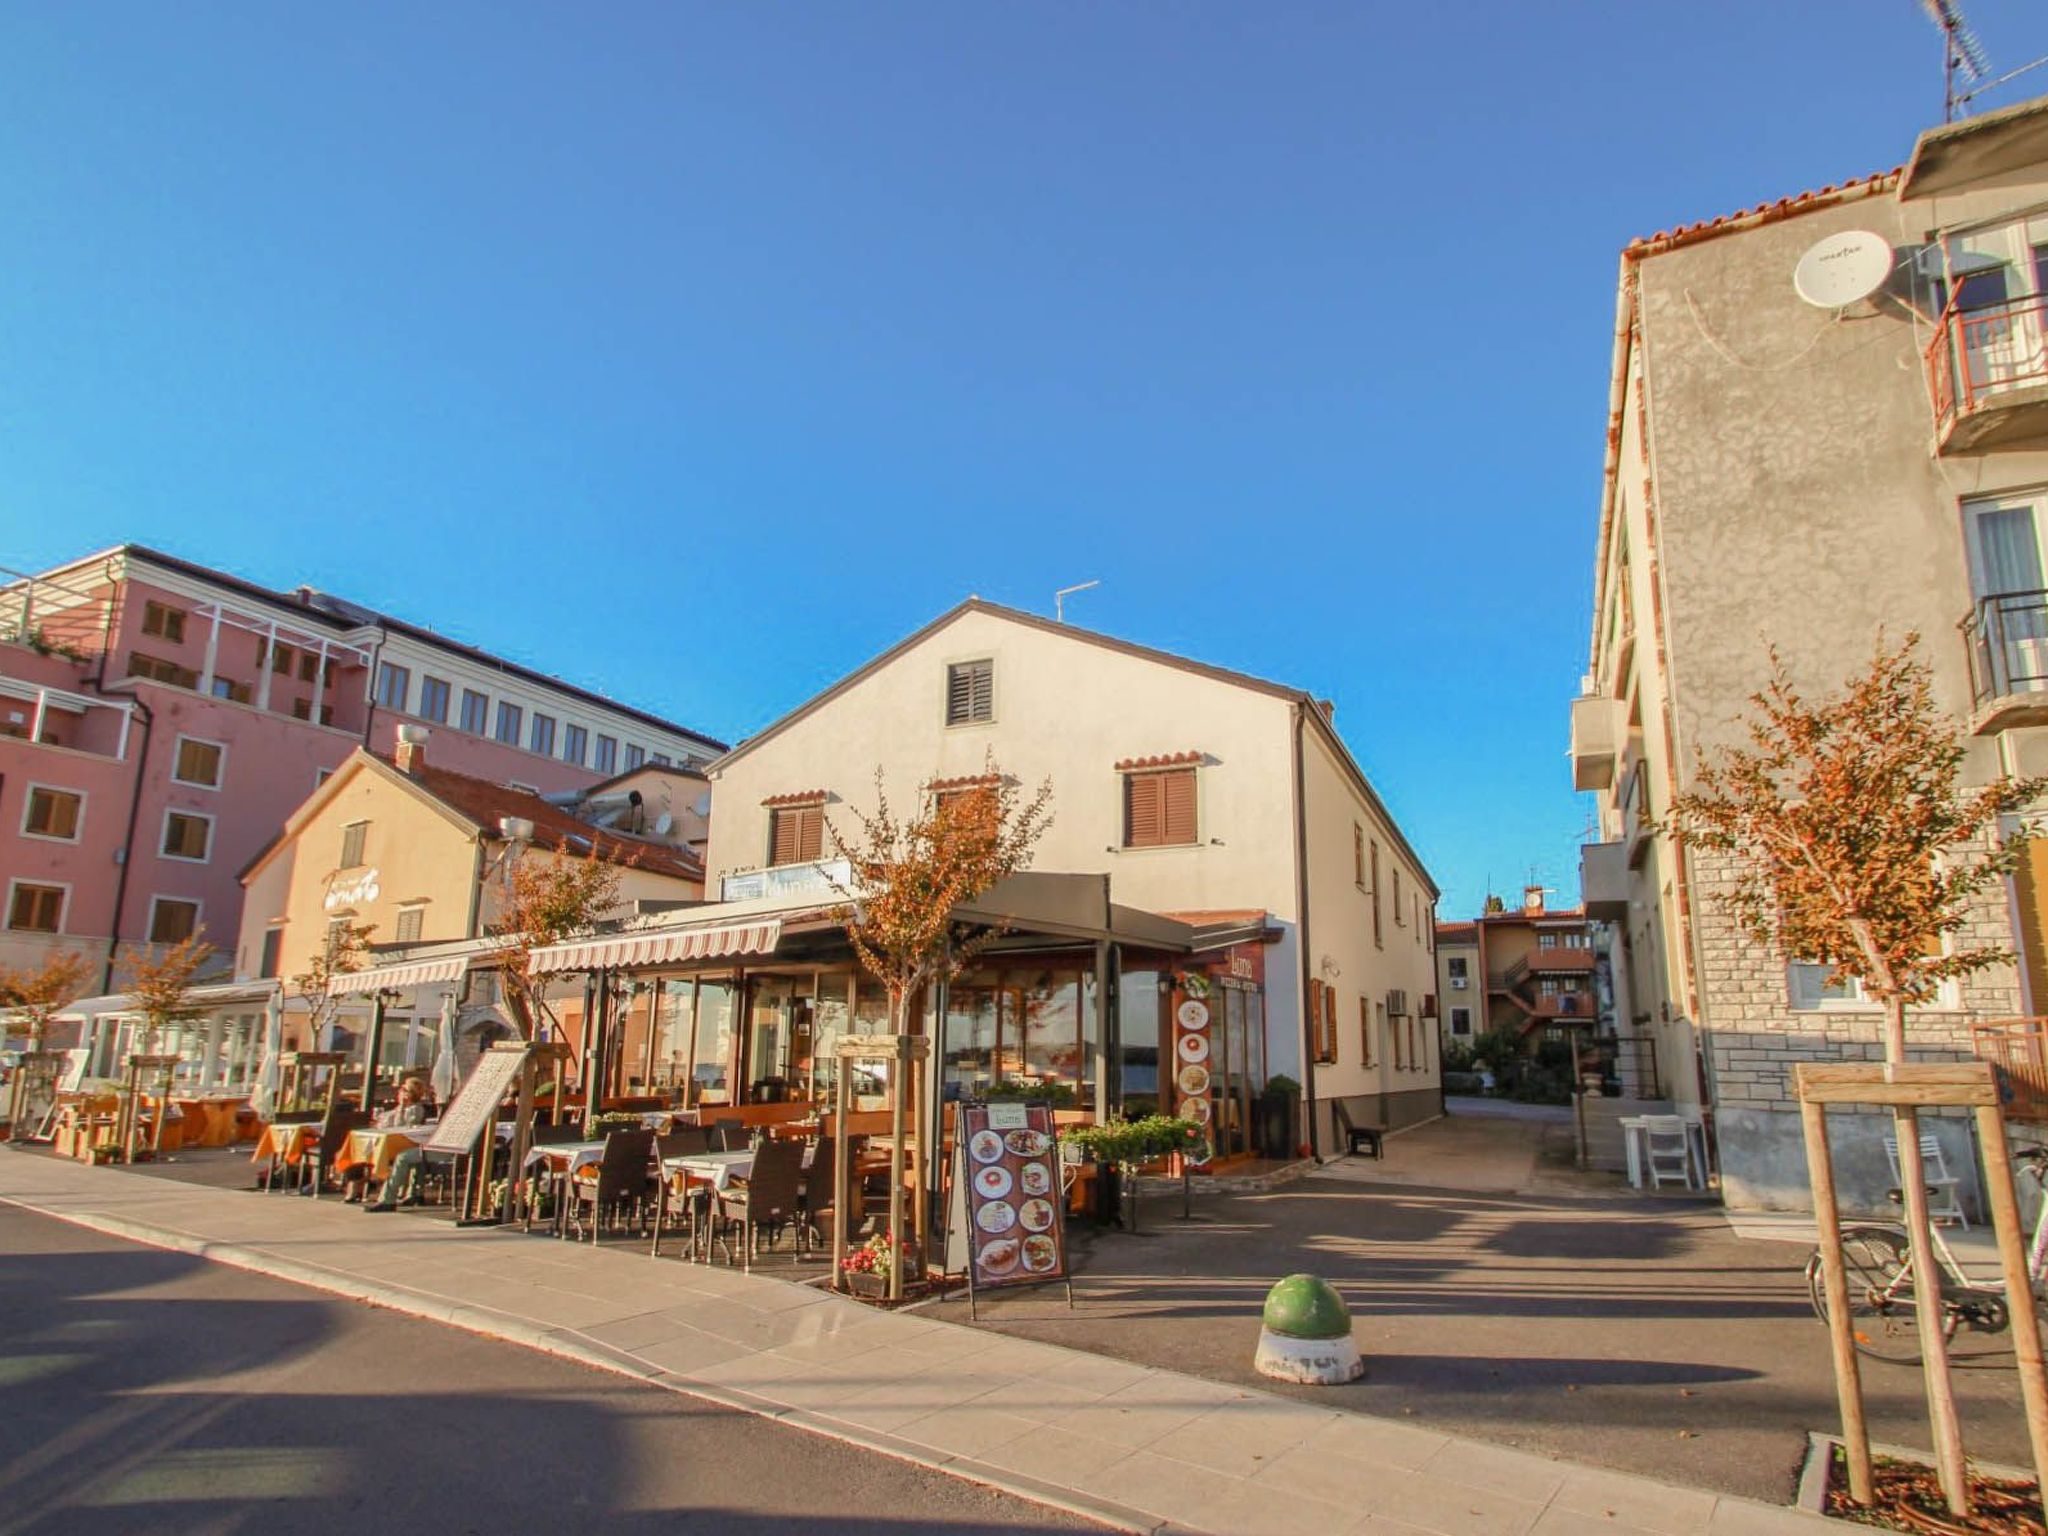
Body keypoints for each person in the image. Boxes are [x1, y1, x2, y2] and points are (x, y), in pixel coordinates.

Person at [362, 1078, 437, 1211]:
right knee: (404, 1156)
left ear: (411, 1093)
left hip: (411, 1141)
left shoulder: (416, 1109)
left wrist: (402, 1107)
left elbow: (404, 1126)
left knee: (402, 1157)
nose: (400, 1092)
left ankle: (387, 1198)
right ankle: (411, 1193)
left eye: (404, 1090)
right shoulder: (402, 1108)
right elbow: (389, 1123)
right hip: (407, 1141)